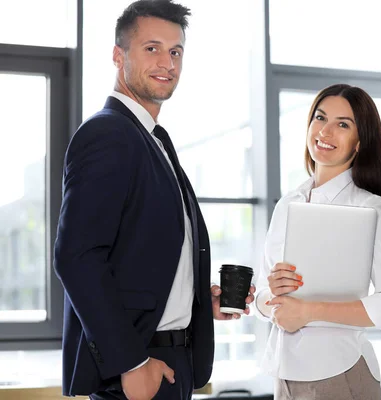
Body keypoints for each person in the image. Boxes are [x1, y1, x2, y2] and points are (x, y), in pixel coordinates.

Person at [53, 1, 254, 399]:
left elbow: (142, 257)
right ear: (118, 55)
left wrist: (196, 299)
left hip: (171, 361)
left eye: (175, 51)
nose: (167, 62)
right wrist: (131, 363)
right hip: (137, 365)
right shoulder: (108, 134)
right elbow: (76, 256)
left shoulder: (153, 139)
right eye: (152, 48)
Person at [253, 84, 381, 400]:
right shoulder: (288, 203)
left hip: (339, 373)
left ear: (358, 143)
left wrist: (310, 311)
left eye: (343, 124)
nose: (325, 131)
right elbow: (261, 294)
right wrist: (272, 302)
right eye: (320, 117)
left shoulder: (369, 209)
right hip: (284, 376)